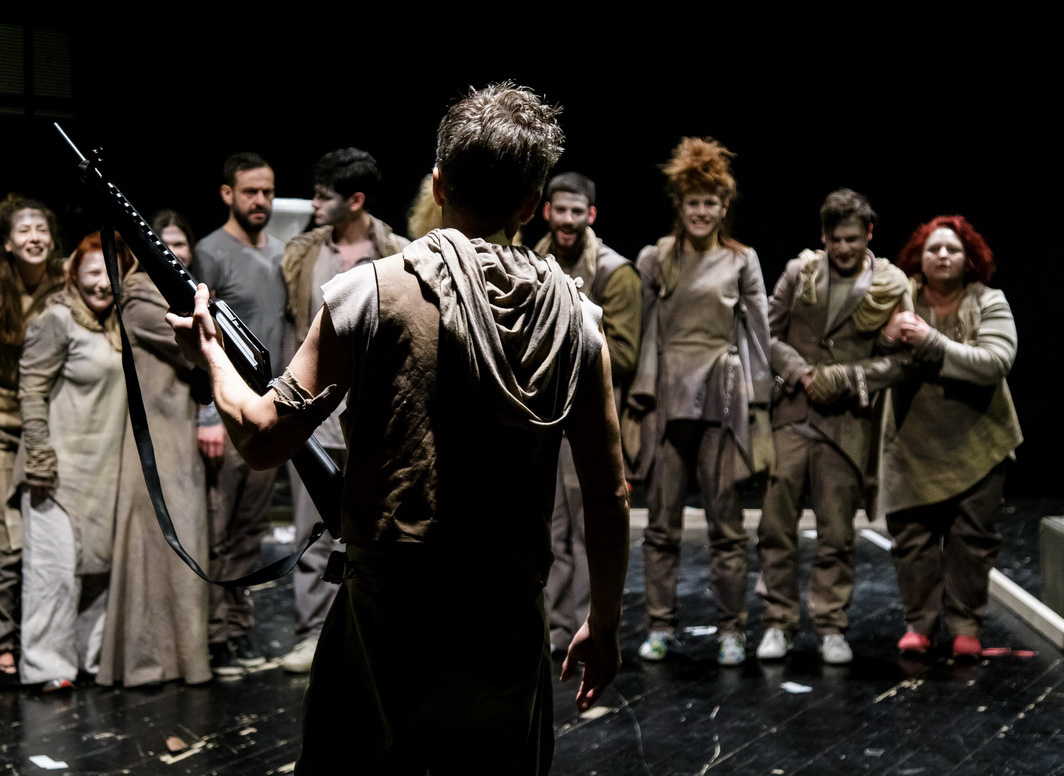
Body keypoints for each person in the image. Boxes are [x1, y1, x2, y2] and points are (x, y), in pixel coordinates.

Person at [169, 81, 629, 776]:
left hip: (389, 619)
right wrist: (606, 622)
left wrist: (210, 353)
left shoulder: (371, 293)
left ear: (439, 185)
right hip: (505, 613)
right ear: (532, 204)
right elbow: (608, 493)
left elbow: (262, 437)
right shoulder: (576, 318)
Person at [756, 189, 911, 664]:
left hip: (846, 421)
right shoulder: (799, 272)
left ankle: (831, 625)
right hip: (793, 413)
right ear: (822, 236)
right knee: (776, 526)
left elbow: (902, 359)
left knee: (837, 532)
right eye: (835, 239)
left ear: (869, 234)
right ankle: (778, 621)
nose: (843, 248)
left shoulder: (890, 284)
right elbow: (766, 332)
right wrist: (802, 373)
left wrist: (846, 377)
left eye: (852, 238)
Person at [632, 137, 772, 666]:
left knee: (726, 524)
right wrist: (639, 401)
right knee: (661, 525)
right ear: (679, 203)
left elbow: (758, 334)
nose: (701, 211)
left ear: (724, 205)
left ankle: (731, 629)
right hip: (668, 400)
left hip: (722, 398)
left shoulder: (742, 261)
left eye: (710, 202)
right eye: (693, 201)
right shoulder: (656, 258)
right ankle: (659, 626)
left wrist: (759, 404)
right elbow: (644, 332)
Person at [277, 148, 408, 674]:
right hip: (314, 415)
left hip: (374, 419)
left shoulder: (397, 253)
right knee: (312, 530)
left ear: (355, 200)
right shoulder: (303, 255)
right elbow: (293, 329)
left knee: (375, 533)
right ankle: (313, 635)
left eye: (322, 196)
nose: (313, 204)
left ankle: (371, 634)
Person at [880, 215, 1021, 659]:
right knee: (913, 541)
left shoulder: (988, 301)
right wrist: (886, 337)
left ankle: (965, 627)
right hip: (912, 442)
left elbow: (995, 361)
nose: (943, 255)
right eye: (934, 249)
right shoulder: (898, 299)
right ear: (918, 258)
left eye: (953, 249)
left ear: (969, 258)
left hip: (978, 441)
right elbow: (864, 348)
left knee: (971, 542)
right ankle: (919, 625)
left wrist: (930, 341)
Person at [96, 212, 212, 687]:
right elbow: (204, 348)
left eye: (182, 243)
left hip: (179, 433)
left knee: (183, 542)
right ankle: (148, 661)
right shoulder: (143, 297)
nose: (175, 252)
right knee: (158, 544)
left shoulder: (177, 295)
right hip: (157, 439)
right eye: (166, 244)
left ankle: (183, 658)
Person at [16, 232, 130, 691]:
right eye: (94, 271)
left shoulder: (119, 324)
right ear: (74, 273)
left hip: (104, 469)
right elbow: (30, 390)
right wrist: (39, 458)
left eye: (111, 272)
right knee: (53, 574)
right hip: (59, 473)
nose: (102, 282)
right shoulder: (57, 319)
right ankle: (46, 666)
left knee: (98, 571)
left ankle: (90, 659)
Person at [534, 172, 641, 657]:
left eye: (577, 212)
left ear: (591, 215)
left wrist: (554, 344)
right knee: (548, 527)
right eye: (560, 210)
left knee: (587, 529)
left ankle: (588, 629)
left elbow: (625, 353)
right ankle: (555, 632)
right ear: (546, 211)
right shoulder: (531, 260)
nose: (568, 220)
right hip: (541, 418)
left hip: (590, 416)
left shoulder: (615, 272)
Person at [190, 152, 286, 677]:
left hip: (269, 412)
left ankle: (238, 626)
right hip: (228, 413)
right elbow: (199, 340)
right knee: (220, 527)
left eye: (267, 191)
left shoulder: (280, 252)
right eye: (250, 191)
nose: (260, 201)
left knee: (251, 530)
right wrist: (207, 415)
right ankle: (215, 635)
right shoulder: (210, 252)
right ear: (228, 193)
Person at [0, 195, 65, 685]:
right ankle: (1, 643)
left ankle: (45, 639)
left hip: (48, 426)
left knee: (50, 541)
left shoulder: (64, 282)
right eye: (24, 230)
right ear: (7, 242)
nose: (34, 238)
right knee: (8, 545)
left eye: (41, 229)